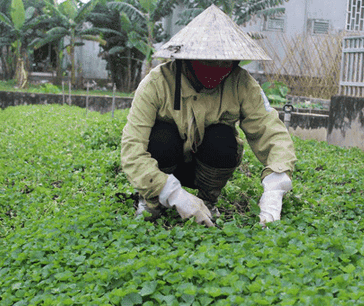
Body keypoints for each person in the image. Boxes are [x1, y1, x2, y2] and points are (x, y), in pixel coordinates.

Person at [121, 5, 297, 227]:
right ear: (187, 58)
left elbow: (270, 131)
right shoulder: (156, 84)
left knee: (222, 138)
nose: (218, 68)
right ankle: (152, 202)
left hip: (206, 167)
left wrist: (276, 184)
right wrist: (173, 193)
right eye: (208, 61)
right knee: (161, 137)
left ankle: (207, 200)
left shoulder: (242, 84)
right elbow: (132, 150)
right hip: (165, 165)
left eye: (225, 62)